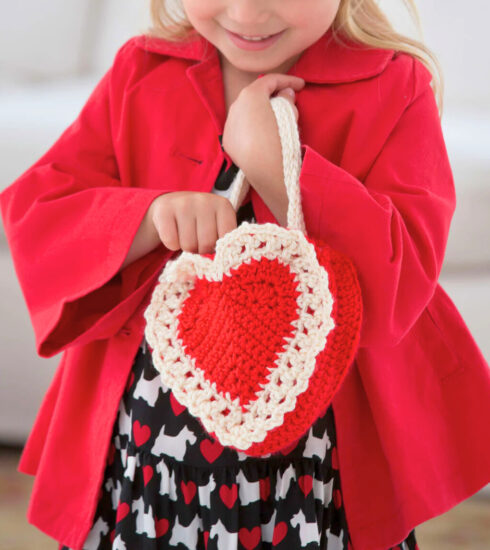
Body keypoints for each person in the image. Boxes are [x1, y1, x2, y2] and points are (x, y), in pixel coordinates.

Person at [1, 0, 489, 548]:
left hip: (315, 474)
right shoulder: (142, 70)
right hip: (146, 461)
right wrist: (151, 215)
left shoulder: (396, 86)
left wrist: (277, 168)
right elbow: (41, 212)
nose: (248, 12)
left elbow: (401, 283)